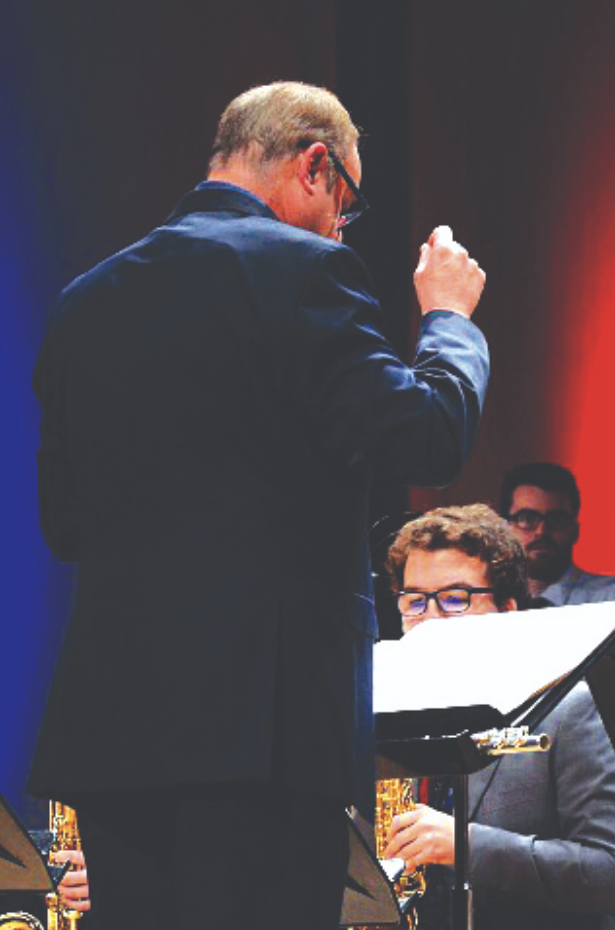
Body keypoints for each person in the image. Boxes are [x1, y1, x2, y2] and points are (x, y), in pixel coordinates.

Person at [28, 82, 490, 930]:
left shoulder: (83, 302)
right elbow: (429, 436)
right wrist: (449, 320)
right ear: (317, 167)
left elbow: (64, 526)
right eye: (344, 207)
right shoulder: (305, 271)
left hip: (117, 736)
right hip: (264, 737)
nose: (338, 228)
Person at [380, 504, 615, 930]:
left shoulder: (571, 710)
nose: (429, 621)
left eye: (454, 599)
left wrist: (466, 846)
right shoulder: (388, 714)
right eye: (414, 601)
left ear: (507, 609)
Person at [500, 462, 615, 614]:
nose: (541, 531)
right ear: (505, 529)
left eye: (556, 519)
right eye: (527, 518)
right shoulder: (483, 608)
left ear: (575, 530)